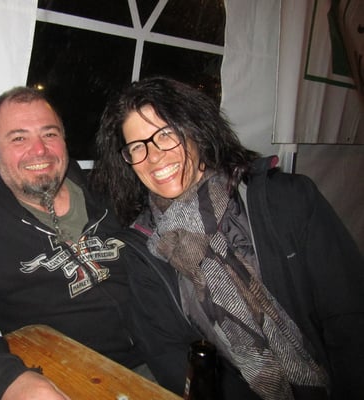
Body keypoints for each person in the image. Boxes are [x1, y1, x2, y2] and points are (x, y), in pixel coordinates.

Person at [90, 76, 364, 400]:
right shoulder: (145, 250)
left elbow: (348, 315)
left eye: (165, 134)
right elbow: (169, 354)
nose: (154, 156)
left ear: (195, 130)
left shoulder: (286, 200)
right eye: (137, 147)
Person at [0, 86, 146, 400]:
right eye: (19, 138)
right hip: (73, 380)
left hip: (168, 353)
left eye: (49, 134)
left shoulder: (111, 189)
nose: (39, 150)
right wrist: (7, 381)